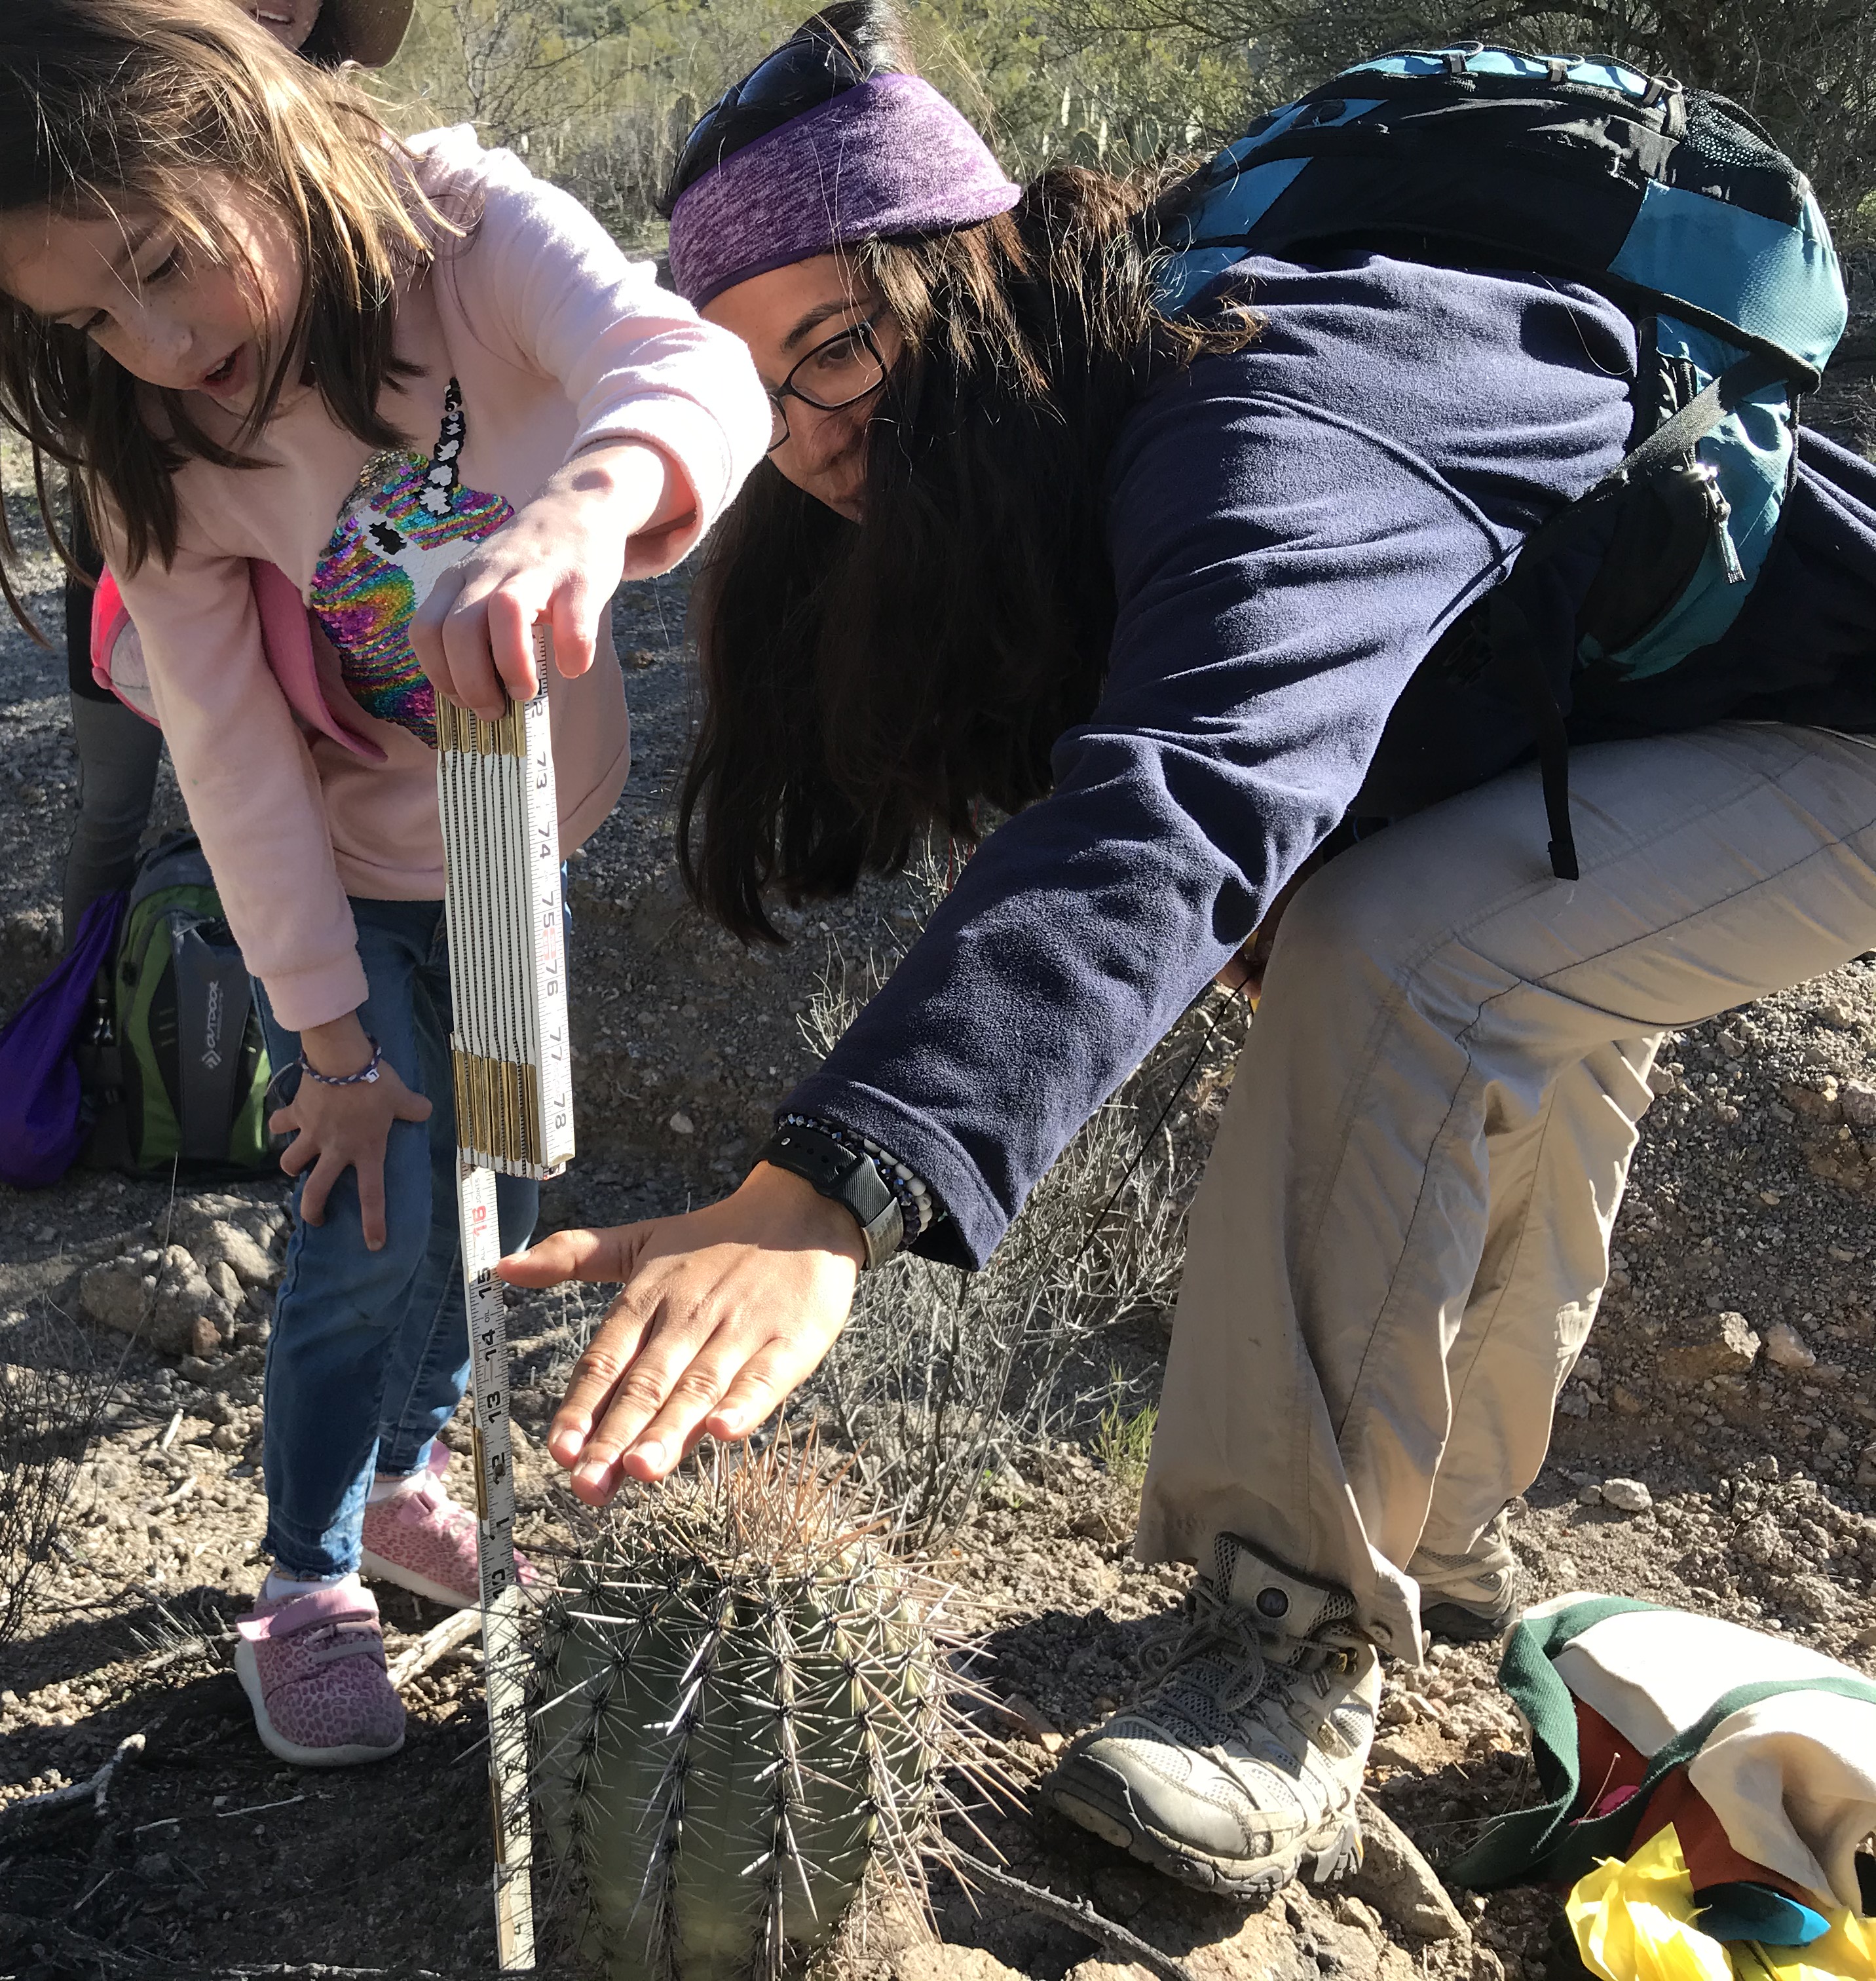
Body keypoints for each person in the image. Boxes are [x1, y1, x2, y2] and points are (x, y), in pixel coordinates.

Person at [502, 0, 1876, 1899]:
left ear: (971, 264)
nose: (816, 438)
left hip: (1846, 731)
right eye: (769, 398)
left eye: (841, 344)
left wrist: (831, 1193)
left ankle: (1289, 1655)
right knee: (1480, 965)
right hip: (1667, 725)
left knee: (1413, 947)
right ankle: (1448, 1540)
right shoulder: (1073, 393)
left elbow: (1196, 780)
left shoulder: (1272, 386)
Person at [0, 0, 765, 1767]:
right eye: (86, 317)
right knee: (364, 1228)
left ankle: (405, 1483)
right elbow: (225, 760)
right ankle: (302, 1583)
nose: (154, 342)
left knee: (500, 1203)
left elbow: (691, 372)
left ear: (256, 119)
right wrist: (335, 1050)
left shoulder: (459, 233)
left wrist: (586, 508)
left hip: (518, 847)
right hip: (347, 896)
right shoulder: (157, 449)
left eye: (158, 262)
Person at [52, 0, 415, 943]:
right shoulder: (86, 143)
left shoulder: (392, 182)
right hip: (156, 569)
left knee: (315, 824)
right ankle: (94, 1011)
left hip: (349, 599)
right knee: (132, 802)